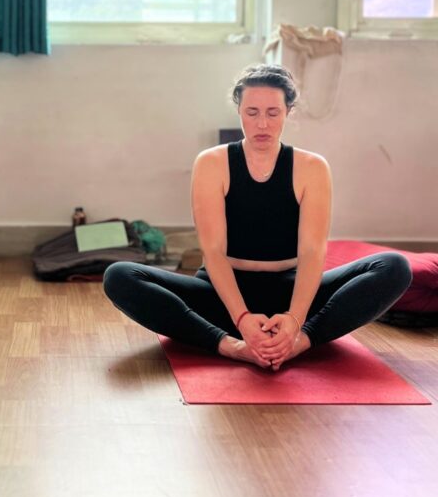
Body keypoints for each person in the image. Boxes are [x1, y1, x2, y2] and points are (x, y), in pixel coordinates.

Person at [103, 64, 412, 371]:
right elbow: (213, 251)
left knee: (395, 267)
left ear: (288, 111)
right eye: (252, 112)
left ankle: (298, 343)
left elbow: (312, 252)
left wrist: (295, 320)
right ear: (239, 110)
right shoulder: (212, 163)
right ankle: (233, 346)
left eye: (273, 113)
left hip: (293, 293)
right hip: (221, 296)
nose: (262, 123)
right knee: (119, 276)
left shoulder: (312, 167)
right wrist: (242, 319)